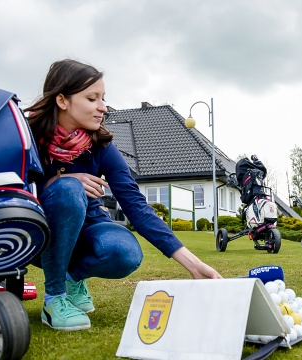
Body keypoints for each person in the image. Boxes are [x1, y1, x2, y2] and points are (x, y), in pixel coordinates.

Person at [26, 59, 222, 331]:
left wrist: (193, 264)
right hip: (40, 236)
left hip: (91, 227)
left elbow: (135, 206)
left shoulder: (101, 145)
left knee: (125, 252)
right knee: (68, 189)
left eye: (103, 98)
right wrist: (59, 181)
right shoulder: (27, 138)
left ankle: (72, 277)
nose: (103, 107)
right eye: (92, 98)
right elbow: (11, 190)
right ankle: (55, 297)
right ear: (62, 100)